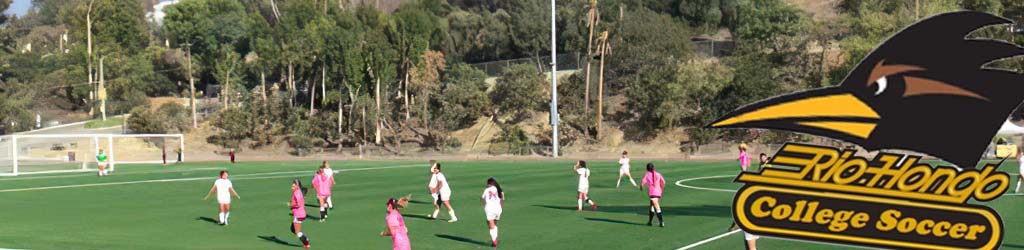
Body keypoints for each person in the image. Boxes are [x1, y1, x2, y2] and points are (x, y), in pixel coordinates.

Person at [640, 163, 666, 227]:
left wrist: (641, 187)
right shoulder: (658, 174)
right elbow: (663, 182)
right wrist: (661, 190)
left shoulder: (647, 175)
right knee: (651, 206)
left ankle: (661, 222)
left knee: (657, 207)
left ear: (647, 168)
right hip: (658, 192)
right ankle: (650, 222)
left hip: (653, 193)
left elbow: (643, 183)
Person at [482, 177, 505, 247]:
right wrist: (501, 207)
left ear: (489, 183)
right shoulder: (499, 189)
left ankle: (494, 240)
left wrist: (484, 206)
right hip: (498, 209)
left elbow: (483, 198)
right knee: (494, 224)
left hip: (490, 208)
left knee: (491, 225)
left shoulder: (487, 190)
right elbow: (503, 199)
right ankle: (495, 237)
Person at [289, 179, 311, 249]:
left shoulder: (297, 193)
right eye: (293, 183)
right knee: (292, 229)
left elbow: (298, 204)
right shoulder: (297, 192)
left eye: (294, 184)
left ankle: (306, 243)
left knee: (297, 232)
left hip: (299, 215)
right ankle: (305, 240)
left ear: (297, 186)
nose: (292, 185)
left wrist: (292, 205)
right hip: (299, 214)